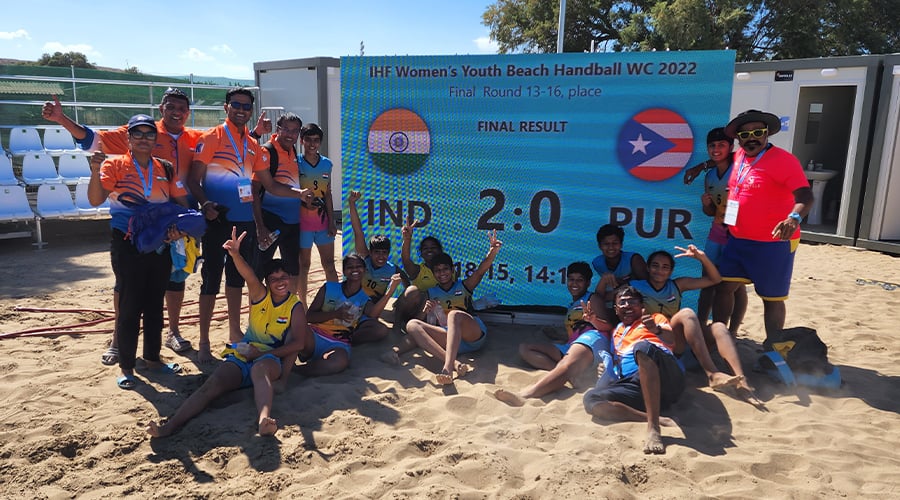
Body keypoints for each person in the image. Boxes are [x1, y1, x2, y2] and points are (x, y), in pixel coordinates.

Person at [41, 88, 231, 363]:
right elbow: (94, 140)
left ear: (188, 113)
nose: (176, 111)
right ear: (161, 108)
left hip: (178, 218)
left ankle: (173, 332)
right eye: (171, 106)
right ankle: (118, 339)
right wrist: (62, 119)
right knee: (127, 284)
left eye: (182, 108)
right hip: (137, 225)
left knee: (176, 276)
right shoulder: (143, 131)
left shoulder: (194, 138)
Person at [147, 227, 311, 437]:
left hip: (269, 358)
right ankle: (168, 427)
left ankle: (263, 420)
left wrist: (261, 354)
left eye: (284, 277)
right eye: (274, 278)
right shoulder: (260, 294)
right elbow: (249, 275)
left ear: (290, 278)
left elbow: (298, 344)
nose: (281, 282)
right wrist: (235, 255)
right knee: (212, 385)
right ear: (267, 283)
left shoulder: (294, 305)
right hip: (243, 354)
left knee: (260, 371)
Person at [189, 87, 313, 362]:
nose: (241, 110)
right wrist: (206, 205)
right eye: (236, 104)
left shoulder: (253, 145)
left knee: (236, 280)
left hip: (243, 222)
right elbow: (192, 181)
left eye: (246, 106)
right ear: (226, 107)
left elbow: (265, 186)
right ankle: (205, 342)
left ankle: (234, 334)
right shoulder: (210, 138)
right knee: (210, 281)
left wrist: (296, 195)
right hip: (217, 219)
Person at [87, 114, 189, 390]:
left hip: (159, 244)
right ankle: (127, 367)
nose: (144, 138)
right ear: (129, 138)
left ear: (156, 139)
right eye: (138, 134)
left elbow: (181, 203)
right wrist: (95, 172)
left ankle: (152, 359)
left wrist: (181, 227)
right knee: (130, 305)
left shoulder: (165, 168)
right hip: (127, 243)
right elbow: (95, 199)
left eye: (149, 134)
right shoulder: (115, 164)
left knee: (156, 305)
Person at [713, 110, 814, 345]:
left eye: (758, 133)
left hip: (773, 243)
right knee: (724, 287)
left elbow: (806, 195)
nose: (752, 138)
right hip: (738, 239)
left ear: (767, 133)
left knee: (772, 298)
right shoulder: (738, 156)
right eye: (745, 134)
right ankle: (719, 339)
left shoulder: (784, 160)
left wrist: (793, 218)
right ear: (738, 138)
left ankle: (773, 347)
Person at [385, 231, 502, 385]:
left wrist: (492, 252)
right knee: (413, 325)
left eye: (445, 269)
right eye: (438, 271)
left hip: (472, 335)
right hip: (449, 339)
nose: (442, 273)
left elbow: (481, 270)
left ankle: (447, 367)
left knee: (454, 315)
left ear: (452, 270)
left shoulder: (464, 286)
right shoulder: (431, 292)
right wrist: (425, 312)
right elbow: (421, 325)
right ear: (433, 274)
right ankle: (397, 352)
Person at [630, 246, 752, 394]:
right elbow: (615, 300)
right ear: (648, 268)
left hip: (682, 346)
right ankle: (712, 374)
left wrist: (702, 258)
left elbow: (715, 279)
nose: (659, 270)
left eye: (665, 267)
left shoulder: (677, 285)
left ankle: (741, 379)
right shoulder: (636, 287)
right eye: (655, 266)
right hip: (659, 343)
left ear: (670, 272)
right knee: (687, 313)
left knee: (719, 327)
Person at [582, 286, 684, 454]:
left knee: (642, 347)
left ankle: (653, 429)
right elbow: (619, 362)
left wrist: (655, 330)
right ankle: (656, 418)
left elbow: (673, 340)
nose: (627, 305)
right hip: (636, 385)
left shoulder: (654, 318)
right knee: (591, 399)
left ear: (642, 305)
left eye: (632, 301)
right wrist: (607, 369)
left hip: (666, 377)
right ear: (616, 309)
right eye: (622, 302)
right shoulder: (617, 332)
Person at [493, 262, 613, 406]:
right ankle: (569, 377)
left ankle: (526, 395)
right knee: (525, 349)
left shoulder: (592, 298)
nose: (574, 283)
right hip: (572, 345)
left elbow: (608, 326)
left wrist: (593, 319)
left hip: (593, 339)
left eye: (579, 280)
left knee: (565, 364)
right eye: (571, 279)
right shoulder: (573, 304)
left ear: (587, 283)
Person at [684, 127, 748, 334]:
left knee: (734, 286)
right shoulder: (710, 176)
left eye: (721, 145)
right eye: (712, 145)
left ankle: (732, 332)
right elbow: (711, 212)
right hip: (717, 232)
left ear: (731, 147)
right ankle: (701, 328)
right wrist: (705, 204)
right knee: (708, 281)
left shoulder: (740, 168)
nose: (716, 149)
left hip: (738, 234)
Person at [298, 254, 401, 375]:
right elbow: (309, 317)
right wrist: (335, 314)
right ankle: (297, 359)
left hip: (339, 342)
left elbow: (373, 315)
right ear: (344, 272)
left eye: (359, 266)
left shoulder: (364, 298)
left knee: (340, 362)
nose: (355, 270)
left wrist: (390, 292)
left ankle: (298, 370)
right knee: (294, 331)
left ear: (364, 270)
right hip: (315, 334)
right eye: (350, 267)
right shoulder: (329, 288)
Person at [252, 112, 303, 294]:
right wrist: (260, 227)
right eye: (286, 130)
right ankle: (257, 318)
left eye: (295, 131)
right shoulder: (267, 151)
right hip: (271, 221)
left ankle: (289, 313)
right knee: (259, 271)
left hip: (292, 222)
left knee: (292, 269)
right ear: (278, 129)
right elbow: (254, 192)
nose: (290, 135)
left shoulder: (292, 150)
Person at [347, 190, 407, 342]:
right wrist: (352, 204)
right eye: (377, 252)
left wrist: (402, 304)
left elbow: (409, 287)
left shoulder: (393, 269)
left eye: (384, 253)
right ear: (370, 252)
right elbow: (358, 231)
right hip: (352, 303)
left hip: (371, 309)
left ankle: (348, 339)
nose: (381, 256)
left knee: (380, 331)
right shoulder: (364, 258)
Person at [297, 123, 338, 302]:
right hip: (302, 223)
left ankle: (335, 301)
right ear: (302, 141)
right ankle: (303, 305)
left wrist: (332, 220)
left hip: (322, 222)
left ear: (320, 142)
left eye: (316, 140)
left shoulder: (327, 164)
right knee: (303, 266)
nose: (312, 144)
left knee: (329, 264)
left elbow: (327, 193)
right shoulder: (295, 162)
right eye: (308, 140)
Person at [394, 216, 446, 328]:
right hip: (415, 311)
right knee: (413, 290)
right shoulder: (418, 270)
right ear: (421, 253)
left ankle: (416, 328)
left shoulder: (448, 270)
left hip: (436, 314)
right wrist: (407, 239)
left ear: (440, 251)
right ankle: (397, 326)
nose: (430, 250)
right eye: (426, 248)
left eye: (433, 247)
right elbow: (406, 260)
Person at [591, 224, 648, 321]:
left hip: (633, 306)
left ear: (621, 244)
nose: (611, 247)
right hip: (613, 307)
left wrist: (621, 287)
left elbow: (647, 286)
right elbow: (600, 296)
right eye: (606, 244)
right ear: (600, 246)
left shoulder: (634, 259)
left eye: (615, 243)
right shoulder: (597, 263)